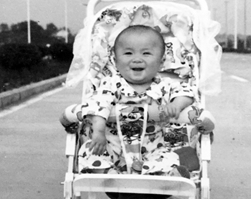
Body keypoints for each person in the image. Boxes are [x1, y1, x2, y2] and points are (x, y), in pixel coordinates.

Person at [77, 25, 211, 176]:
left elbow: (186, 92)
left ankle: (163, 173)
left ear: (161, 62)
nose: (137, 59)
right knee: (88, 151)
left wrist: (176, 104)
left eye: (146, 53)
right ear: (115, 61)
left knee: (170, 157)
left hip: (153, 149)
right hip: (114, 147)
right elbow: (98, 104)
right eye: (128, 53)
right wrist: (99, 130)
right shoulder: (110, 84)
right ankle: (108, 174)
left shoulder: (164, 85)